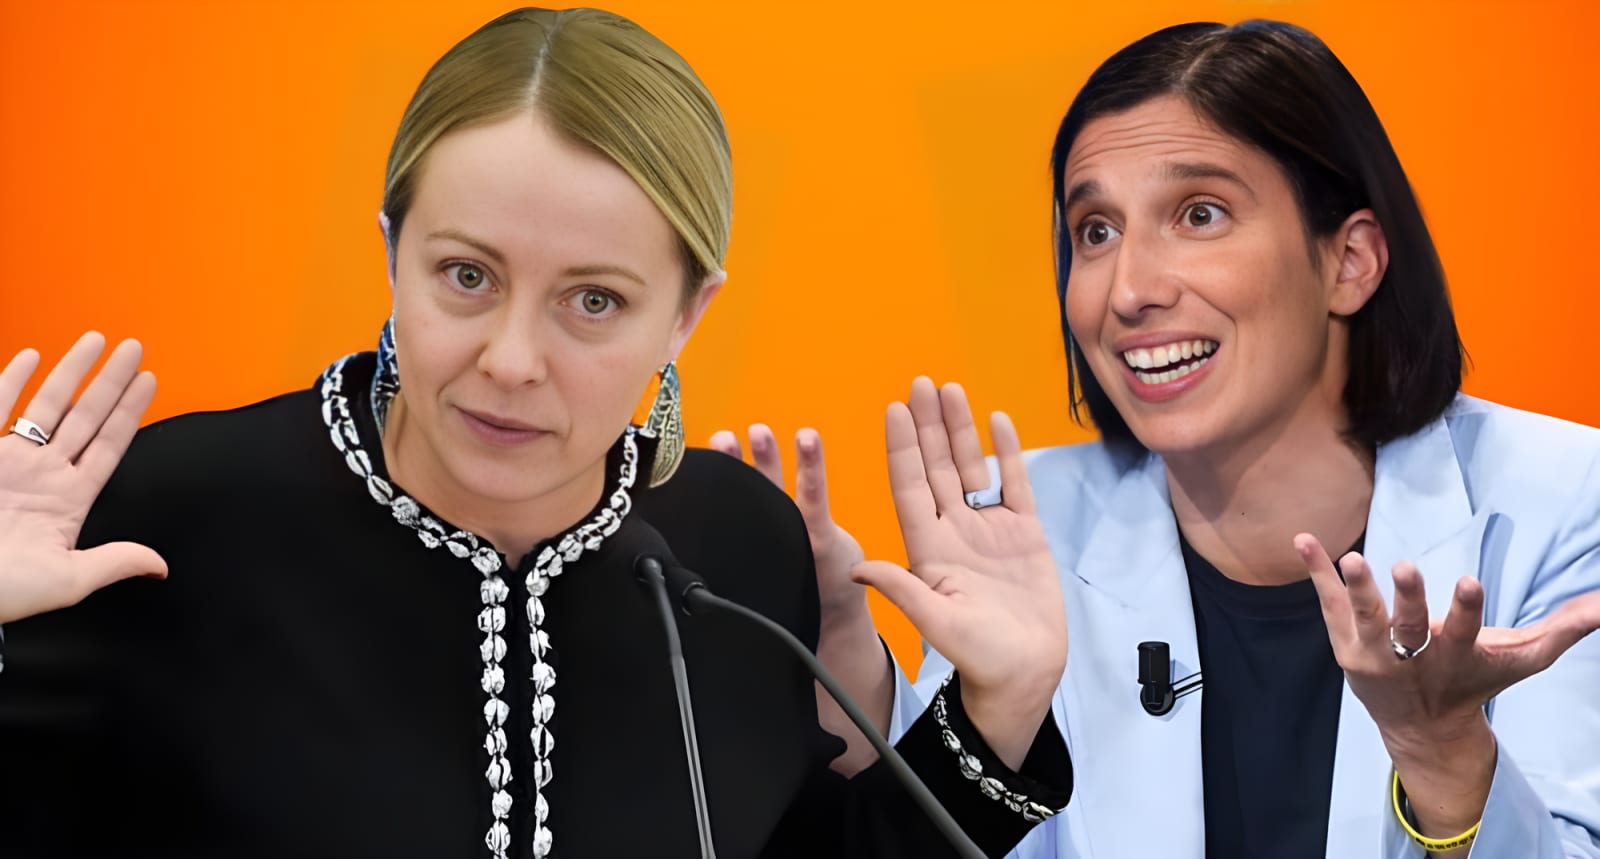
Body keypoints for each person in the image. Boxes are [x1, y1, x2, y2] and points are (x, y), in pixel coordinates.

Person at [0, 8, 1073, 857]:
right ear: (392, 251)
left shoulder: (740, 542)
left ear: (687, 314)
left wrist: (1002, 709)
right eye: (466, 275)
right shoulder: (157, 514)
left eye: (593, 300)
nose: (512, 359)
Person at [745, 18, 1598, 859]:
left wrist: (1443, 752)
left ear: (1351, 261)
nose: (1129, 290)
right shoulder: (1031, 522)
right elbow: (948, 828)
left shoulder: (1564, 502)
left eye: (1199, 213)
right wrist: (842, 648)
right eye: (1096, 230)